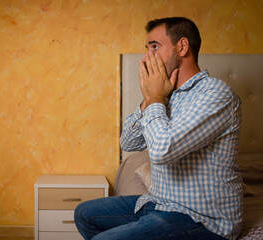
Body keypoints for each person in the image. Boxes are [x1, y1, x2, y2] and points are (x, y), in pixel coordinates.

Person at [74, 17, 242, 240]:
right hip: (160, 203)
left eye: (155, 47)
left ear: (182, 47)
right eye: (147, 49)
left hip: (202, 219)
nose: (147, 57)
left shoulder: (215, 94)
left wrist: (154, 97)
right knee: (84, 213)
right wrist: (150, 99)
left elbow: (163, 152)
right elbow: (129, 143)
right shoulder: (165, 95)